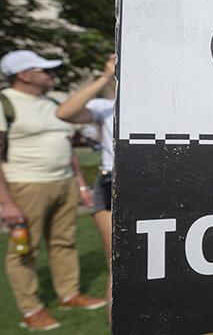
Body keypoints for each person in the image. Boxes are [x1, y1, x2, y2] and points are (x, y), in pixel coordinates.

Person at [0, 50, 108, 331]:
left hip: (62, 182)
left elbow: (66, 147)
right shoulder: (5, 103)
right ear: (24, 74)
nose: (51, 75)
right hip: (26, 184)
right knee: (25, 249)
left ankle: (69, 294)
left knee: (64, 241)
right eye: (44, 70)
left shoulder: (51, 102)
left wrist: (80, 184)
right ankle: (31, 309)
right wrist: (7, 203)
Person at [55, 55, 117, 318]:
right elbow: (64, 113)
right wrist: (105, 77)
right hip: (113, 183)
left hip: (156, 185)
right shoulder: (106, 106)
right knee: (121, 264)